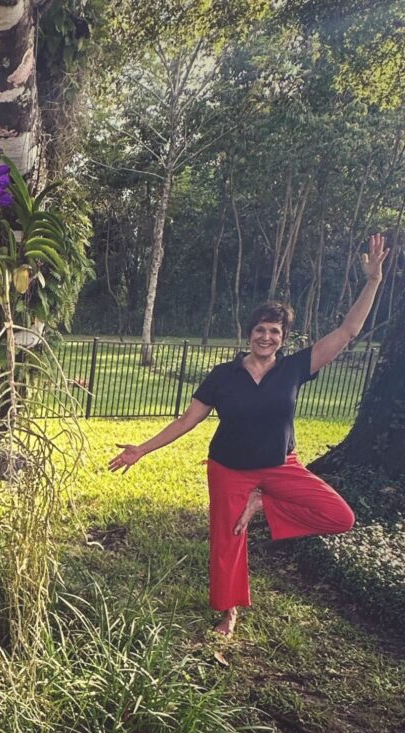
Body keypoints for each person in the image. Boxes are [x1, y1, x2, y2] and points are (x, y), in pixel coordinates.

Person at [109, 234, 388, 636]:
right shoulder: (223, 376)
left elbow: (348, 330)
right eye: (261, 329)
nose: (267, 337)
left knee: (340, 516)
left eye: (275, 331)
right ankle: (228, 611)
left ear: (283, 337)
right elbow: (187, 421)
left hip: (280, 467)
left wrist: (373, 280)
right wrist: (142, 449)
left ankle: (261, 504)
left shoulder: (294, 368)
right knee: (227, 543)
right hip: (229, 469)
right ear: (249, 333)